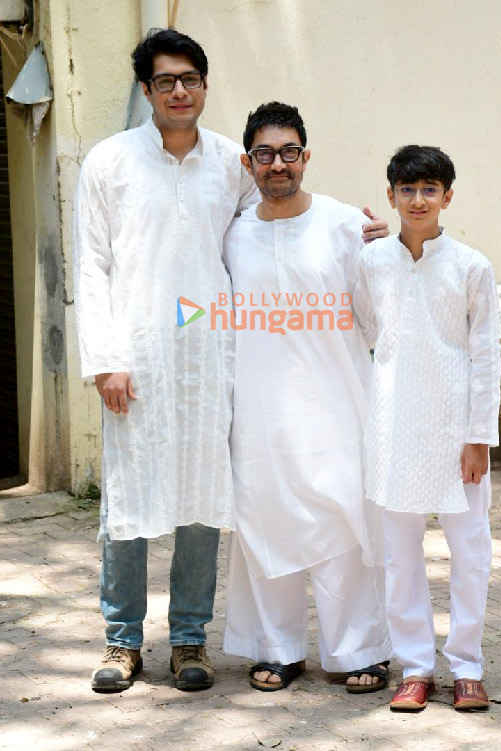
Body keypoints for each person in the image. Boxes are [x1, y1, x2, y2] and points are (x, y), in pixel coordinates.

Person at [74, 28, 261, 692]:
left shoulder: (232, 165)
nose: (179, 91)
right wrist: (106, 358)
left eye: (190, 79)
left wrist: (353, 232)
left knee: (202, 498)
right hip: (137, 358)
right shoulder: (110, 162)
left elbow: (268, 237)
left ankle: (189, 639)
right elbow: (91, 267)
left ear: (205, 86)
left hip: (208, 356)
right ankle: (121, 640)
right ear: (146, 90)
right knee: (126, 500)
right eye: (164, 81)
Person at [221, 102, 391, 693]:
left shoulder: (349, 226)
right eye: (264, 154)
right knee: (265, 522)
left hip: (337, 404)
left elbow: (376, 320)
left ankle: (360, 649)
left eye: (288, 151)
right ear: (248, 162)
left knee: (346, 524)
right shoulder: (231, 234)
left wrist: (386, 254)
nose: (277, 163)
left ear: (305, 157)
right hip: (260, 411)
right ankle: (277, 648)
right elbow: (204, 314)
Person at [357, 145, 500, 711]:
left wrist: (478, 437)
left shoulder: (471, 266)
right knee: (400, 557)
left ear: (447, 197)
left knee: (470, 554)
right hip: (393, 430)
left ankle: (467, 664)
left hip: (456, 434)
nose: (418, 200)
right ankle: (415, 666)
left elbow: (486, 359)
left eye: (429, 190)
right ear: (391, 195)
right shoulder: (370, 263)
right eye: (407, 190)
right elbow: (368, 332)